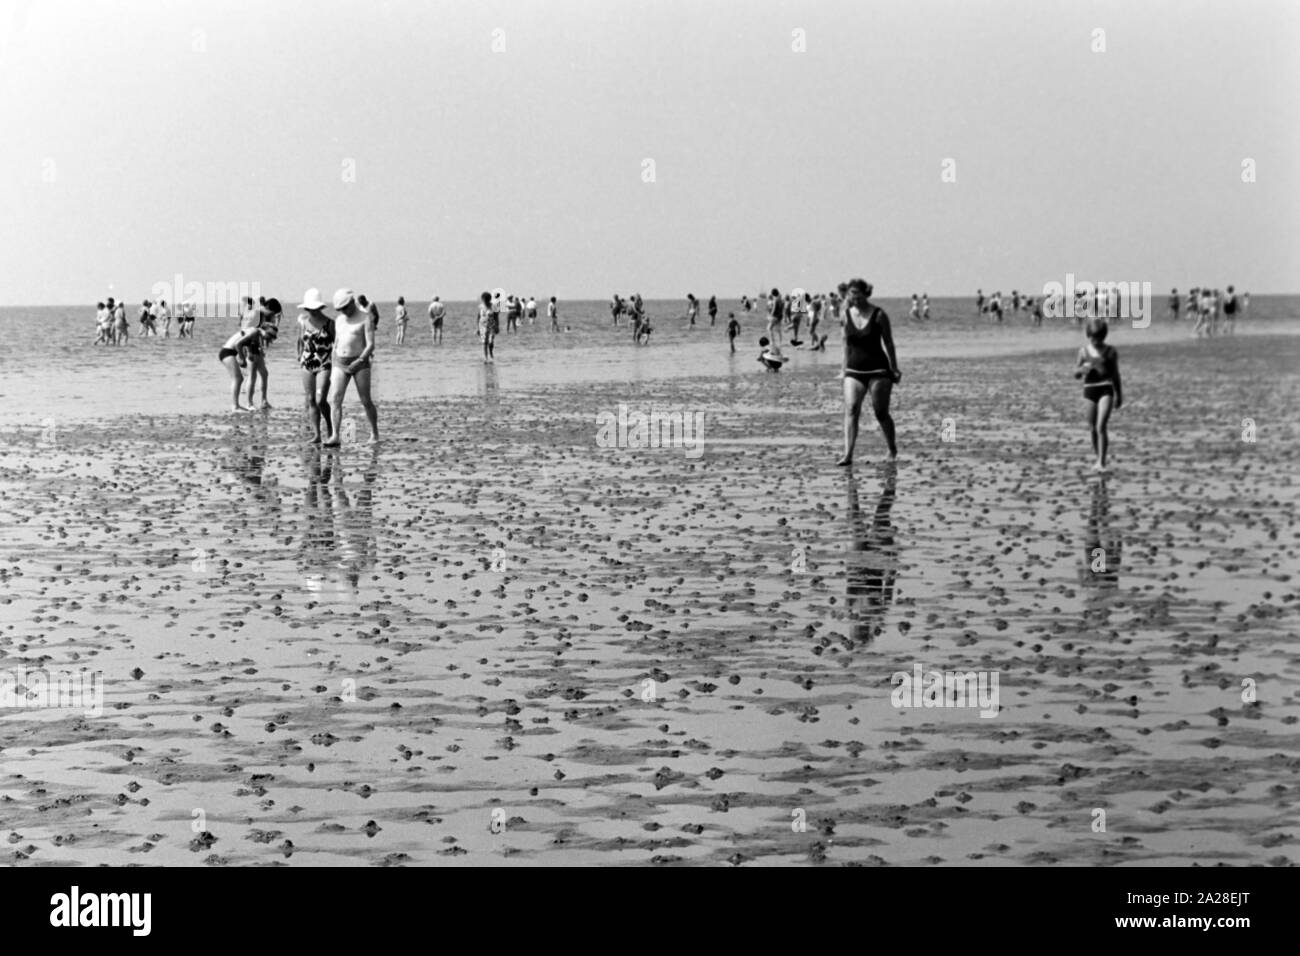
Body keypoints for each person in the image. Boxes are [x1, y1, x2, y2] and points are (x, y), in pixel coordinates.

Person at [836, 278, 900, 467]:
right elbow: (845, 345)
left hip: (879, 370)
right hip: (854, 370)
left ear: (866, 293)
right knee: (851, 409)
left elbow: (889, 343)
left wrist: (894, 368)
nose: (854, 297)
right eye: (851, 293)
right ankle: (848, 454)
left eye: (857, 293)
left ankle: (891, 448)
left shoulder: (879, 315)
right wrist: (843, 370)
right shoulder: (845, 315)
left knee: (881, 413)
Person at [323, 289, 378, 445]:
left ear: (352, 302)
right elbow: (337, 342)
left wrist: (360, 360)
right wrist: (333, 360)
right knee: (335, 399)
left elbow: (371, 345)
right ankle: (335, 435)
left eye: (345, 307)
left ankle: (374, 433)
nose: (344, 311)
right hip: (340, 362)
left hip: (360, 362)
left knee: (365, 400)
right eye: (340, 309)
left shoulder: (366, 318)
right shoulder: (339, 320)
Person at [1073, 317, 1122, 471]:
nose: (1096, 341)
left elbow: (1115, 374)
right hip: (1089, 389)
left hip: (1106, 388)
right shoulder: (1083, 351)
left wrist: (1119, 394)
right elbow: (1076, 373)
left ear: (1104, 336)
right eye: (1093, 338)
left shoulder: (1111, 351)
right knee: (1092, 427)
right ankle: (1098, 457)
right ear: (1089, 335)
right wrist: (1081, 371)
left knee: (1101, 425)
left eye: (1099, 338)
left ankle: (1101, 461)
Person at [295, 288, 334, 443]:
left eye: (313, 308)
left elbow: (337, 344)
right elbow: (299, 340)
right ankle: (317, 434)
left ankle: (331, 426)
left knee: (320, 400)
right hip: (306, 363)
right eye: (308, 308)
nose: (310, 311)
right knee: (311, 399)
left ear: (319, 307)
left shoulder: (330, 323)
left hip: (324, 363)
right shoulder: (303, 322)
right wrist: (298, 355)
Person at [218, 324, 266, 413]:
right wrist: (241, 358)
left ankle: (236, 405)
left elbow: (245, 342)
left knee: (239, 379)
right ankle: (235, 406)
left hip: (229, 352)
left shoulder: (254, 332)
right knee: (237, 379)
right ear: (266, 330)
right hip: (227, 352)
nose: (270, 339)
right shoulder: (255, 331)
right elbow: (238, 344)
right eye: (271, 336)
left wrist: (249, 353)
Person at [479, 291, 497, 362]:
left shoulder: (493, 306)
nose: (485, 301)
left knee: (491, 341)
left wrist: (497, 326)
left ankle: (491, 353)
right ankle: (486, 357)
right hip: (482, 325)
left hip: (491, 325)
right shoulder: (481, 306)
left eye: (486, 299)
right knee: (485, 342)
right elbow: (478, 317)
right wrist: (477, 328)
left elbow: (496, 317)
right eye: (484, 299)